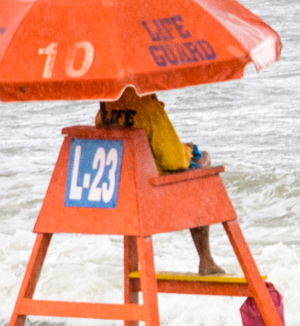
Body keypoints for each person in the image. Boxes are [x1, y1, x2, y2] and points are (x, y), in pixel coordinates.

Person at [96, 87, 225, 276]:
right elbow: (173, 161)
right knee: (201, 163)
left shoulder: (104, 111)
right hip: (150, 191)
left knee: (189, 158)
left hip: (121, 188)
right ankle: (206, 260)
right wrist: (189, 152)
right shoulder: (149, 110)